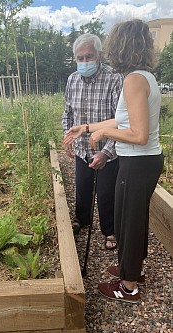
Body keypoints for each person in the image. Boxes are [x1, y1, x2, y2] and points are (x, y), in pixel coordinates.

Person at [64, 19, 163, 303]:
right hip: (142, 162)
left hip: (137, 162)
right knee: (129, 219)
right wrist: (87, 127)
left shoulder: (132, 80)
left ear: (121, 46)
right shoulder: (144, 76)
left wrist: (105, 133)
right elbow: (123, 119)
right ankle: (132, 268)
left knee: (128, 224)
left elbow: (139, 134)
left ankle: (128, 286)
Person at [62, 32, 123, 250]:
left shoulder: (114, 78)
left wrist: (106, 152)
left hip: (108, 148)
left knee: (107, 192)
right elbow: (67, 113)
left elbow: (121, 120)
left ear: (98, 55)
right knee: (82, 186)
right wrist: (68, 137)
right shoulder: (72, 80)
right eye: (80, 58)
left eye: (89, 57)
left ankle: (110, 230)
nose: (85, 62)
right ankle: (82, 220)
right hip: (81, 148)